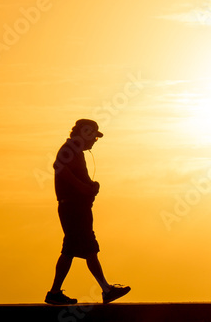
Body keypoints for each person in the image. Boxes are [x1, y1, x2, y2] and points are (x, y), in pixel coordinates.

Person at [45, 118, 130, 305]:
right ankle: (106, 289)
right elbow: (59, 168)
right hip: (73, 209)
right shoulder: (71, 148)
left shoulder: (75, 150)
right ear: (86, 133)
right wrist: (84, 188)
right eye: (94, 137)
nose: (94, 141)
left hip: (75, 208)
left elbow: (73, 174)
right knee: (88, 247)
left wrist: (90, 186)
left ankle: (55, 292)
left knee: (72, 250)